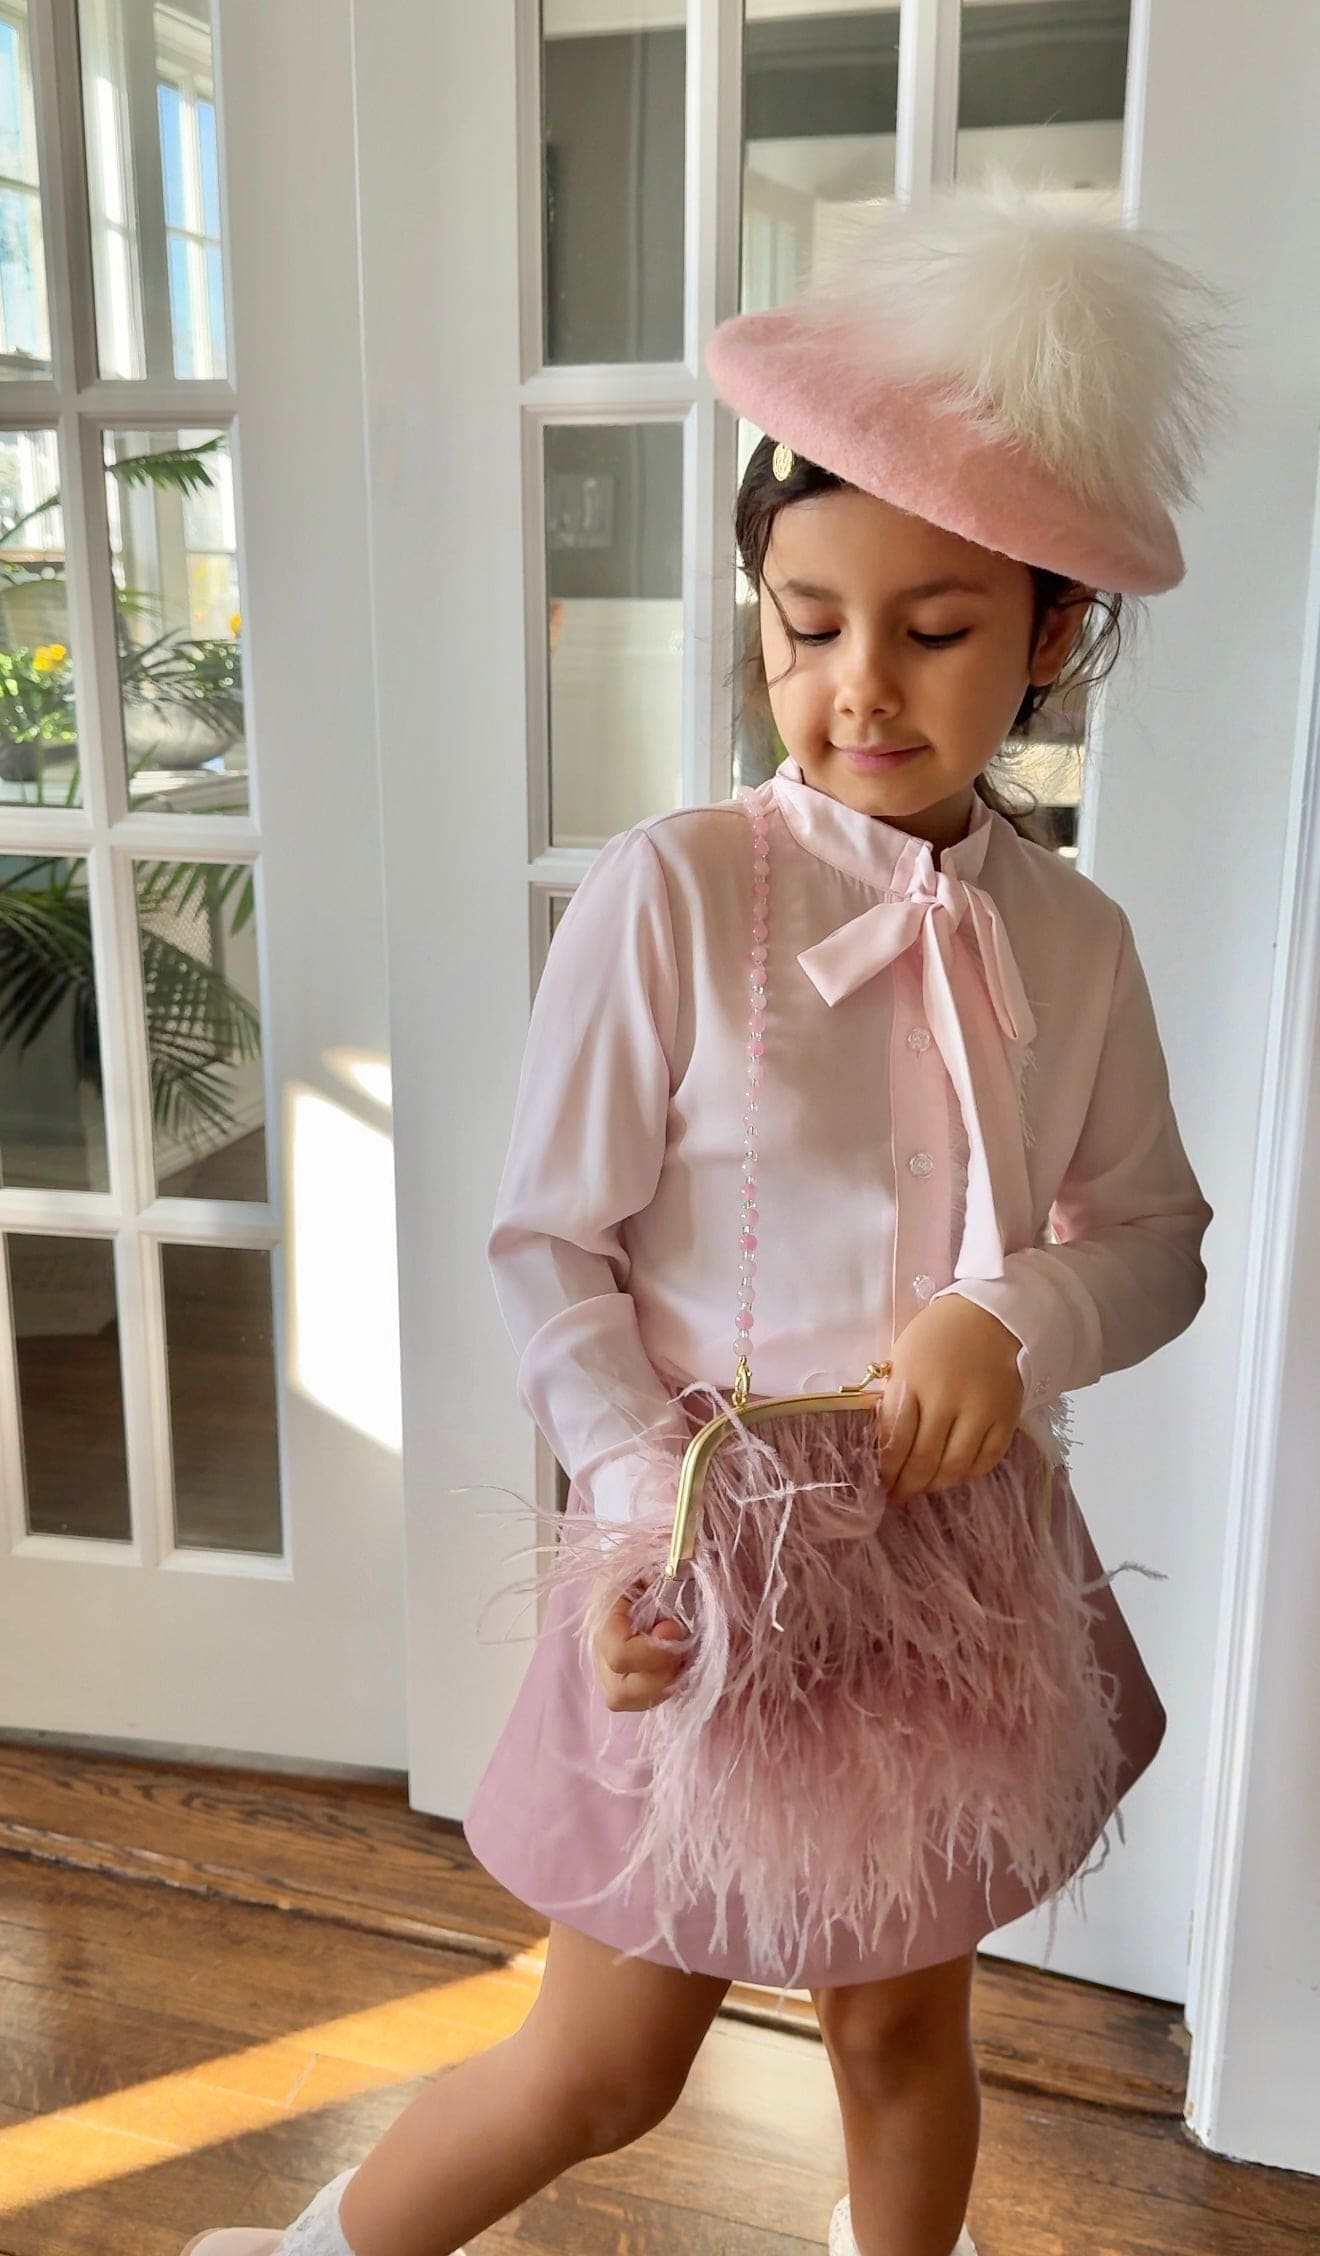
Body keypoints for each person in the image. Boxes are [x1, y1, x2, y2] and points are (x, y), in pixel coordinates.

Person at [179, 175, 1233, 2256]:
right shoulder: (679, 895)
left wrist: (1011, 1321)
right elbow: (548, 1244)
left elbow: (1158, 1234)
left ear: (1051, 634)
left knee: (903, 2037)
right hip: (694, 1552)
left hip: (951, 1573)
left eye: (936, 633)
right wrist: (640, 1496)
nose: (861, 686)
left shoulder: (1078, 938)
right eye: (806, 627)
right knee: (608, 2060)